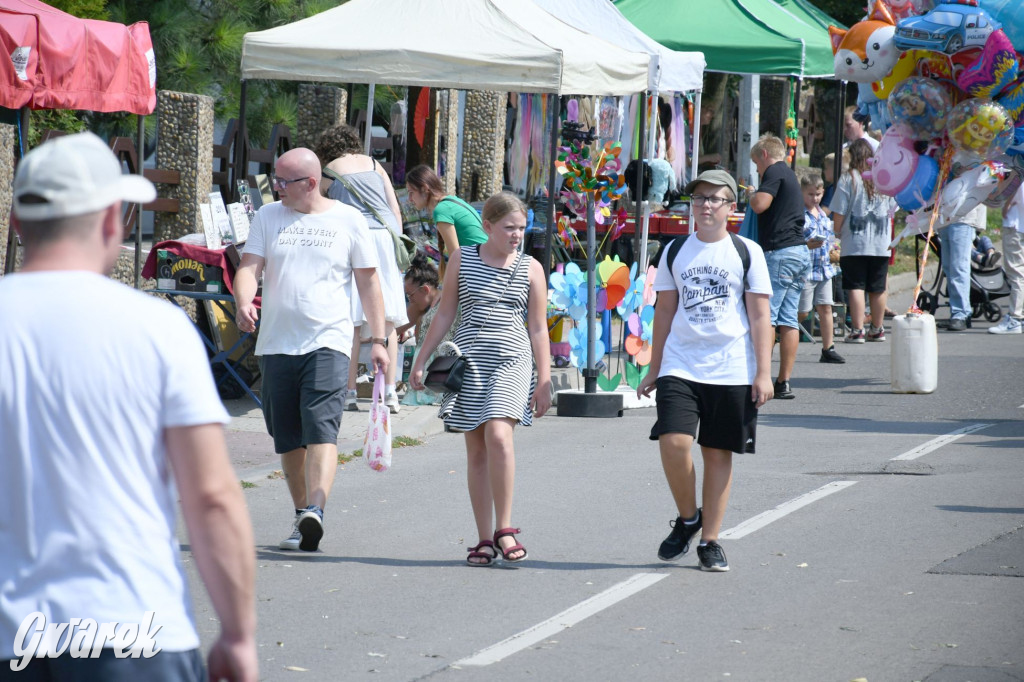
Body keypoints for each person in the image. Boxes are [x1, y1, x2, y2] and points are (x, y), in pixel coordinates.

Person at [0, 132, 257, 680]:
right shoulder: (158, 329)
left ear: (19, 226)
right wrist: (237, 634)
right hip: (133, 631)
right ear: (112, 222)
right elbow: (210, 496)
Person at [234, 147, 389, 553]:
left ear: (311, 183)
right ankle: (302, 514)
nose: (277, 188)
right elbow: (250, 266)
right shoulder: (269, 216)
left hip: (329, 340)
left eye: (284, 182)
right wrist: (243, 302)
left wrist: (379, 340)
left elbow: (369, 283)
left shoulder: (349, 220)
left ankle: (316, 510)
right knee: (286, 436)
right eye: (275, 180)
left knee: (320, 426)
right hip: (276, 343)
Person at [637, 169, 774, 573]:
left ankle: (710, 541)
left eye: (715, 199)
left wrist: (764, 373)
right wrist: (654, 367)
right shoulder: (676, 251)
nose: (706, 206)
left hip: (732, 367)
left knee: (717, 453)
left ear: (732, 208)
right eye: (699, 199)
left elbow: (761, 315)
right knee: (674, 441)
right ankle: (688, 518)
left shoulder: (747, 251)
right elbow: (664, 311)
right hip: (681, 364)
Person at [409, 192, 551, 567]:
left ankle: (504, 529)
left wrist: (545, 379)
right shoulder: (462, 259)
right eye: (509, 228)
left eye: (522, 228)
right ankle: (484, 538)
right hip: (470, 362)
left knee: (499, 436)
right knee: (476, 451)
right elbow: (443, 314)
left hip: (513, 359)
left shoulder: (532, 268)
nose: (517, 235)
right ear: (487, 226)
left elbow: (538, 328)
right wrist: (420, 359)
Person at [314, 124, 408, 413]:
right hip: (385, 236)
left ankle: (350, 393)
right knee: (387, 318)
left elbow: (320, 210)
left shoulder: (329, 169)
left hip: (355, 237)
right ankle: (390, 393)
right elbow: (394, 210)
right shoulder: (374, 164)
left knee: (352, 321)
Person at [749, 133, 811, 400]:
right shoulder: (790, 174)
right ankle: (784, 381)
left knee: (767, 316)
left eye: (756, 164)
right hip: (799, 252)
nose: (757, 170)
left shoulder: (774, 171)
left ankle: (759, 376)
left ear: (764, 155)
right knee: (788, 319)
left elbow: (760, 205)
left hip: (780, 252)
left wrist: (753, 194)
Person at [830, 138, 897, 343]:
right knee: (878, 287)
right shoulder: (883, 178)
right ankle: (877, 328)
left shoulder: (848, 179)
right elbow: (894, 209)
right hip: (881, 243)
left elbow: (839, 211)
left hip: (855, 243)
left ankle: (858, 330)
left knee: (856, 286)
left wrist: (837, 231)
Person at [396, 253, 459, 406]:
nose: (409, 300)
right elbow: (397, 327)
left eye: (410, 295)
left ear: (425, 289)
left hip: (441, 371)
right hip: (424, 375)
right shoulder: (420, 306)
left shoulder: (447, 302)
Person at [798, 174, 846, 364]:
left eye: (817, 194)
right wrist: (806, 244)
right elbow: (793, 240)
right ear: (802, 193)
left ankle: (828, 348)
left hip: (824, 268)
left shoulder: (824, 215)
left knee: (826, 307)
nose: (814, 198)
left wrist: (835, 248)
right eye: (810, 194)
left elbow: (831, 237)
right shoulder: (799, 215)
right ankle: (779, 335)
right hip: (807, 270)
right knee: (803, 311)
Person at [405, 165, 487, 270]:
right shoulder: (450, 200)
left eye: (411, 193)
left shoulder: (441, 210)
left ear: (425, 188)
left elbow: (456, 256)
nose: (409, 199)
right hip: (485, 263)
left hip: (481, 268)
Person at [937, 204, 986, 332]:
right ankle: (958, 313)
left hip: (963, 217)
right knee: (949, 268)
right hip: (944, 216)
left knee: (958, 267)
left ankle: (961, 315)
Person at [991, 183, 1024, 334]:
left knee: (1016, 272)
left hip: (1015, 224)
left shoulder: (1018, 162)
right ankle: (1018, 317)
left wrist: (1007, 204)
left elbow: (1015, 183)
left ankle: (1015, 318)